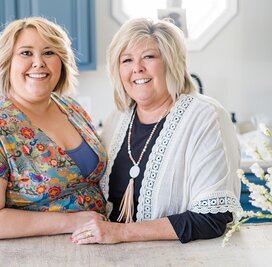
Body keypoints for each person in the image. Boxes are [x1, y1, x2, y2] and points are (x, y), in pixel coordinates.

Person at [71, 18, 242, 244]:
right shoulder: (117, 119)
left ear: (171, 62)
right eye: (127, 60)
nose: (137, 68)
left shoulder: (205, 115)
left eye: (149, 57)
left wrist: (121, 233)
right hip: (114, 256)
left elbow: (213, 218)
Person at [0, 17, 107, 240]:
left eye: (49, 52)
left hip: (93, 248)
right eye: (26, 53)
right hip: (25, 254)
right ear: (7, 62)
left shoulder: (71, 108)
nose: (39, 62)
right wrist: (73, 222)